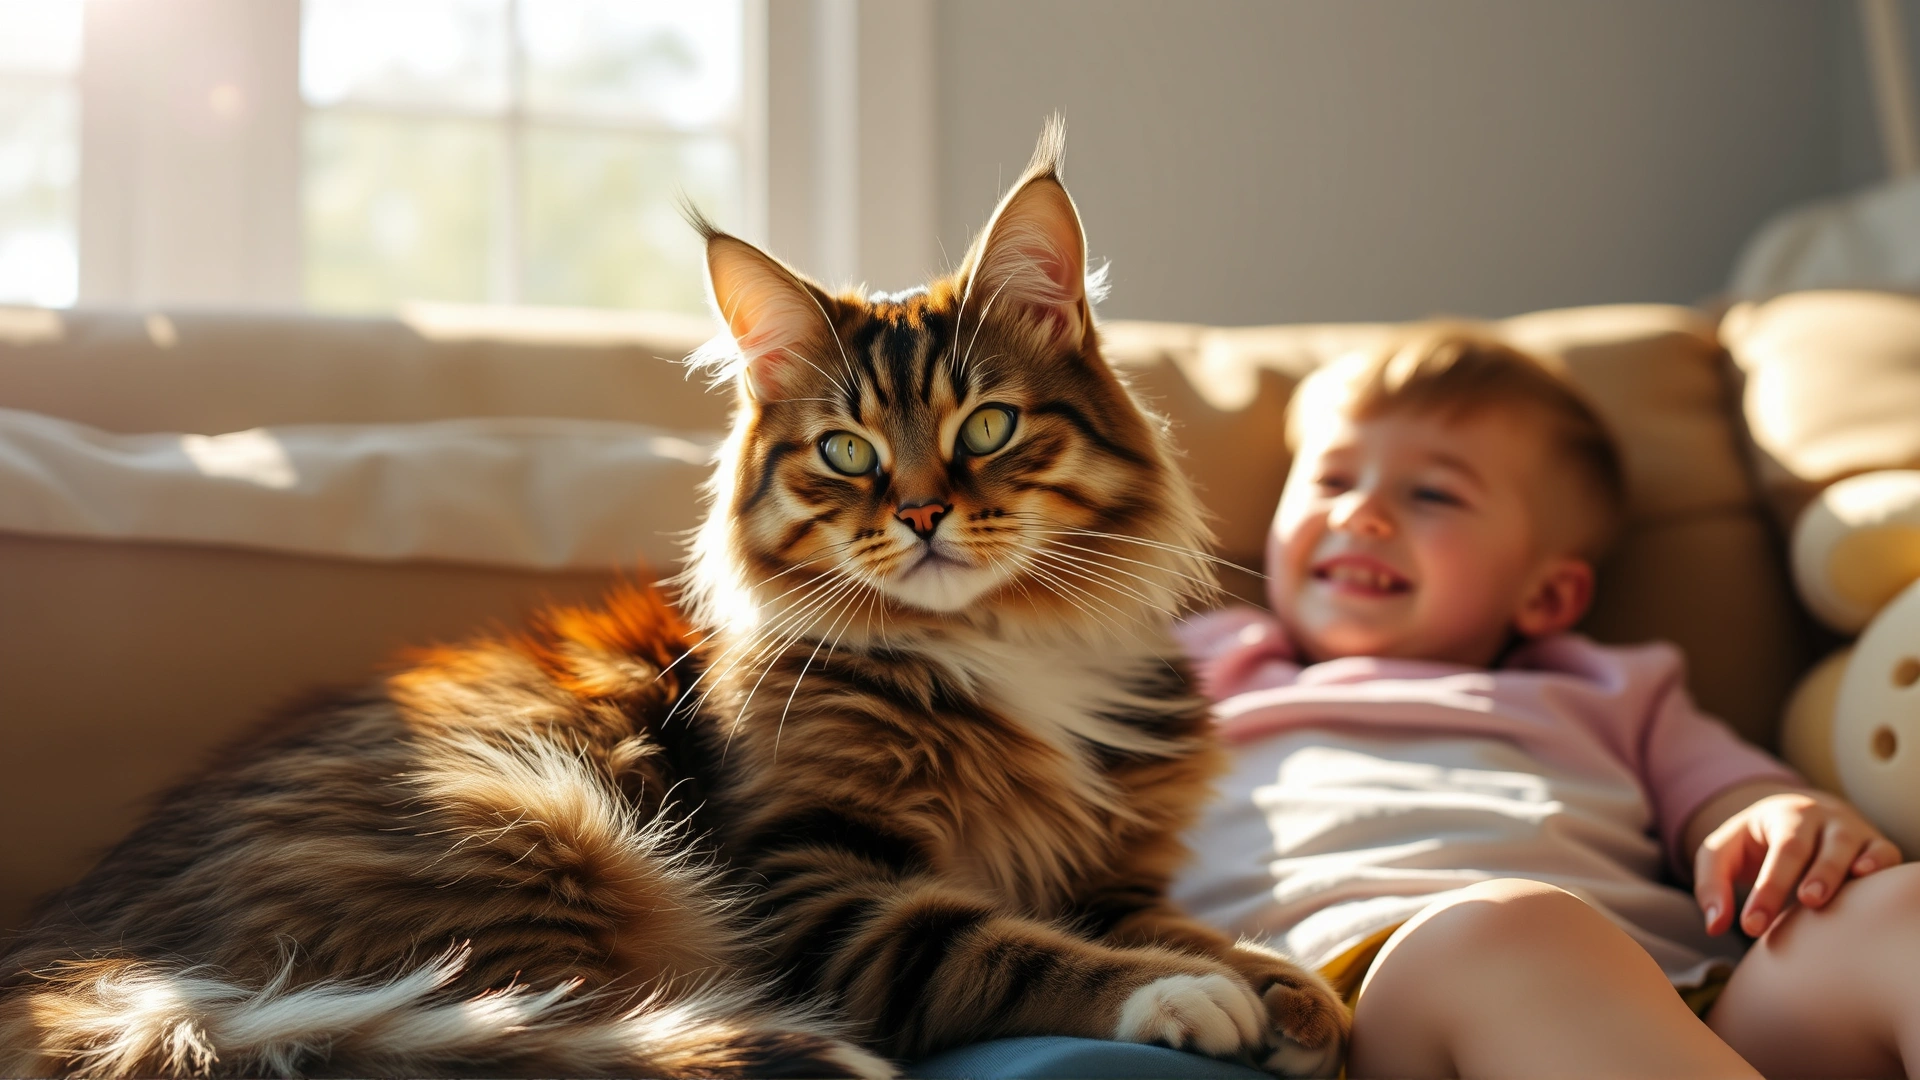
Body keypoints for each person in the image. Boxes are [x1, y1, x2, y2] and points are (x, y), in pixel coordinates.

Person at [1169, 329, 1920, 1079]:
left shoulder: (1609, 688)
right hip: (1360, 1020)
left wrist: (1780, 817)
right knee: (1506, 929)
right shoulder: (1213, 665)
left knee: (1896, 910)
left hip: (1688, 1002)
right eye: (1332, 482)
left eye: (1432, 493)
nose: (1361, 514)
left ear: (1548, 593)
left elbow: (1730, 799)